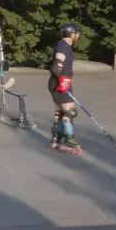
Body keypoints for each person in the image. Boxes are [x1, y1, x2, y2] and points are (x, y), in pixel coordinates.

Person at [48, 23, 82, 152]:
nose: (78, 36)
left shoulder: (65, 45)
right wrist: (61, 78)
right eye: (77, 34)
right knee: (70, 111)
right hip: (60, 82)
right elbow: (57, 66)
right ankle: (69, 139)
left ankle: (56, 139)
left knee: (60, 112)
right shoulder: (63, 46)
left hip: (59, 82)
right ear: (72, 34)